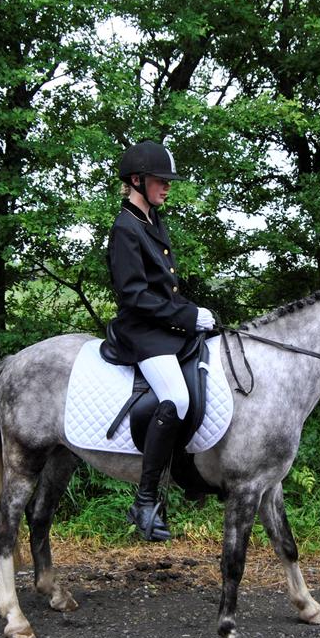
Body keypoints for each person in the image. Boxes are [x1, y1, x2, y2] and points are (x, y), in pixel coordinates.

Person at [106, 140, 215, 542]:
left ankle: (187, 474)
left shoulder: (152, 221)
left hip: (162, 326)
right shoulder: (125, 228)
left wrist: (194, 314)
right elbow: (135, 295)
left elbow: (166, 288)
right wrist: (187, 316)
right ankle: (146, 501)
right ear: (137, 180)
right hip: (140, 331)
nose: (167, 188)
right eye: (160, 181)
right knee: (178, 398)